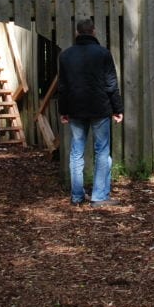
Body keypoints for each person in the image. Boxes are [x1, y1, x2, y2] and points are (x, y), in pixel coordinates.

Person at [57, 18, 124, 207]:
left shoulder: (66, 55)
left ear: (77, 33)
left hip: (75, 110)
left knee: (76, 152)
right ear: (93, 32)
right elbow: (111, 84)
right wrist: (117, 109)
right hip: (100, 109)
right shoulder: (103, 53)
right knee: (102, 151)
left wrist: (63, 110)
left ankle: (77, 197)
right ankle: (99, 196)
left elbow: (63, 87)